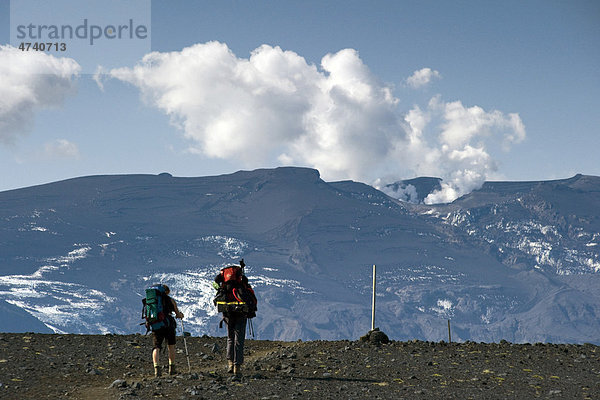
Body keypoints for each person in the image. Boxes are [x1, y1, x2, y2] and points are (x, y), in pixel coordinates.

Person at [214, 259, 254, 376]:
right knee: (239, 340)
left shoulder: (223, 285)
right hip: (241, 313)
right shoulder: (242, 282)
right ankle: (237, 366)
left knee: (230, 338)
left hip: (227, 314)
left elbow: (215, 284)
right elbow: (250, 296)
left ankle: (230, 363)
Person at [151, 284, 184, 377]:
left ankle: (157, 370)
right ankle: (172, 368)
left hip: (156, 325)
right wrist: (180, 315)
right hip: (168, 325)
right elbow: (177, 314)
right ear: (166, 291)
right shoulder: (170, 300)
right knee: (171, 346)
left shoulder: (153, 301)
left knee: (156, 347)